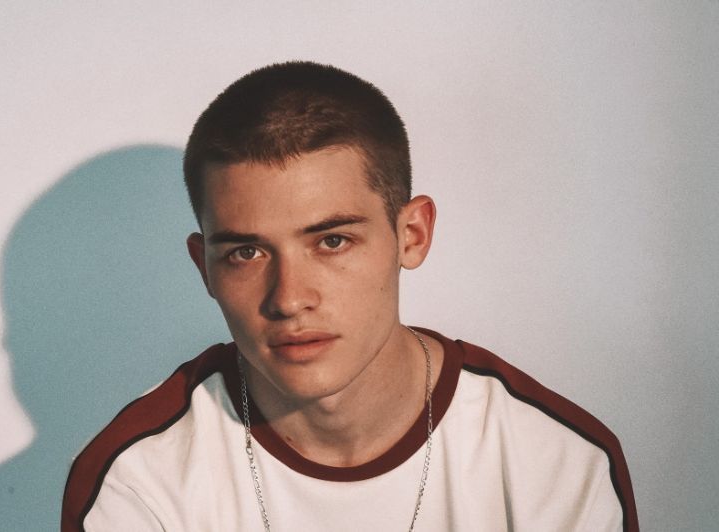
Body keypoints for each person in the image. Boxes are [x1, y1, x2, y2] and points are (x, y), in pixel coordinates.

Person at [62, 61, 638, 531]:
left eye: (332, 241)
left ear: (412, 235)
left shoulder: (555, 461)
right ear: (203, 267)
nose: (289, 299)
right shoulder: (138, 478)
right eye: (246, 252)